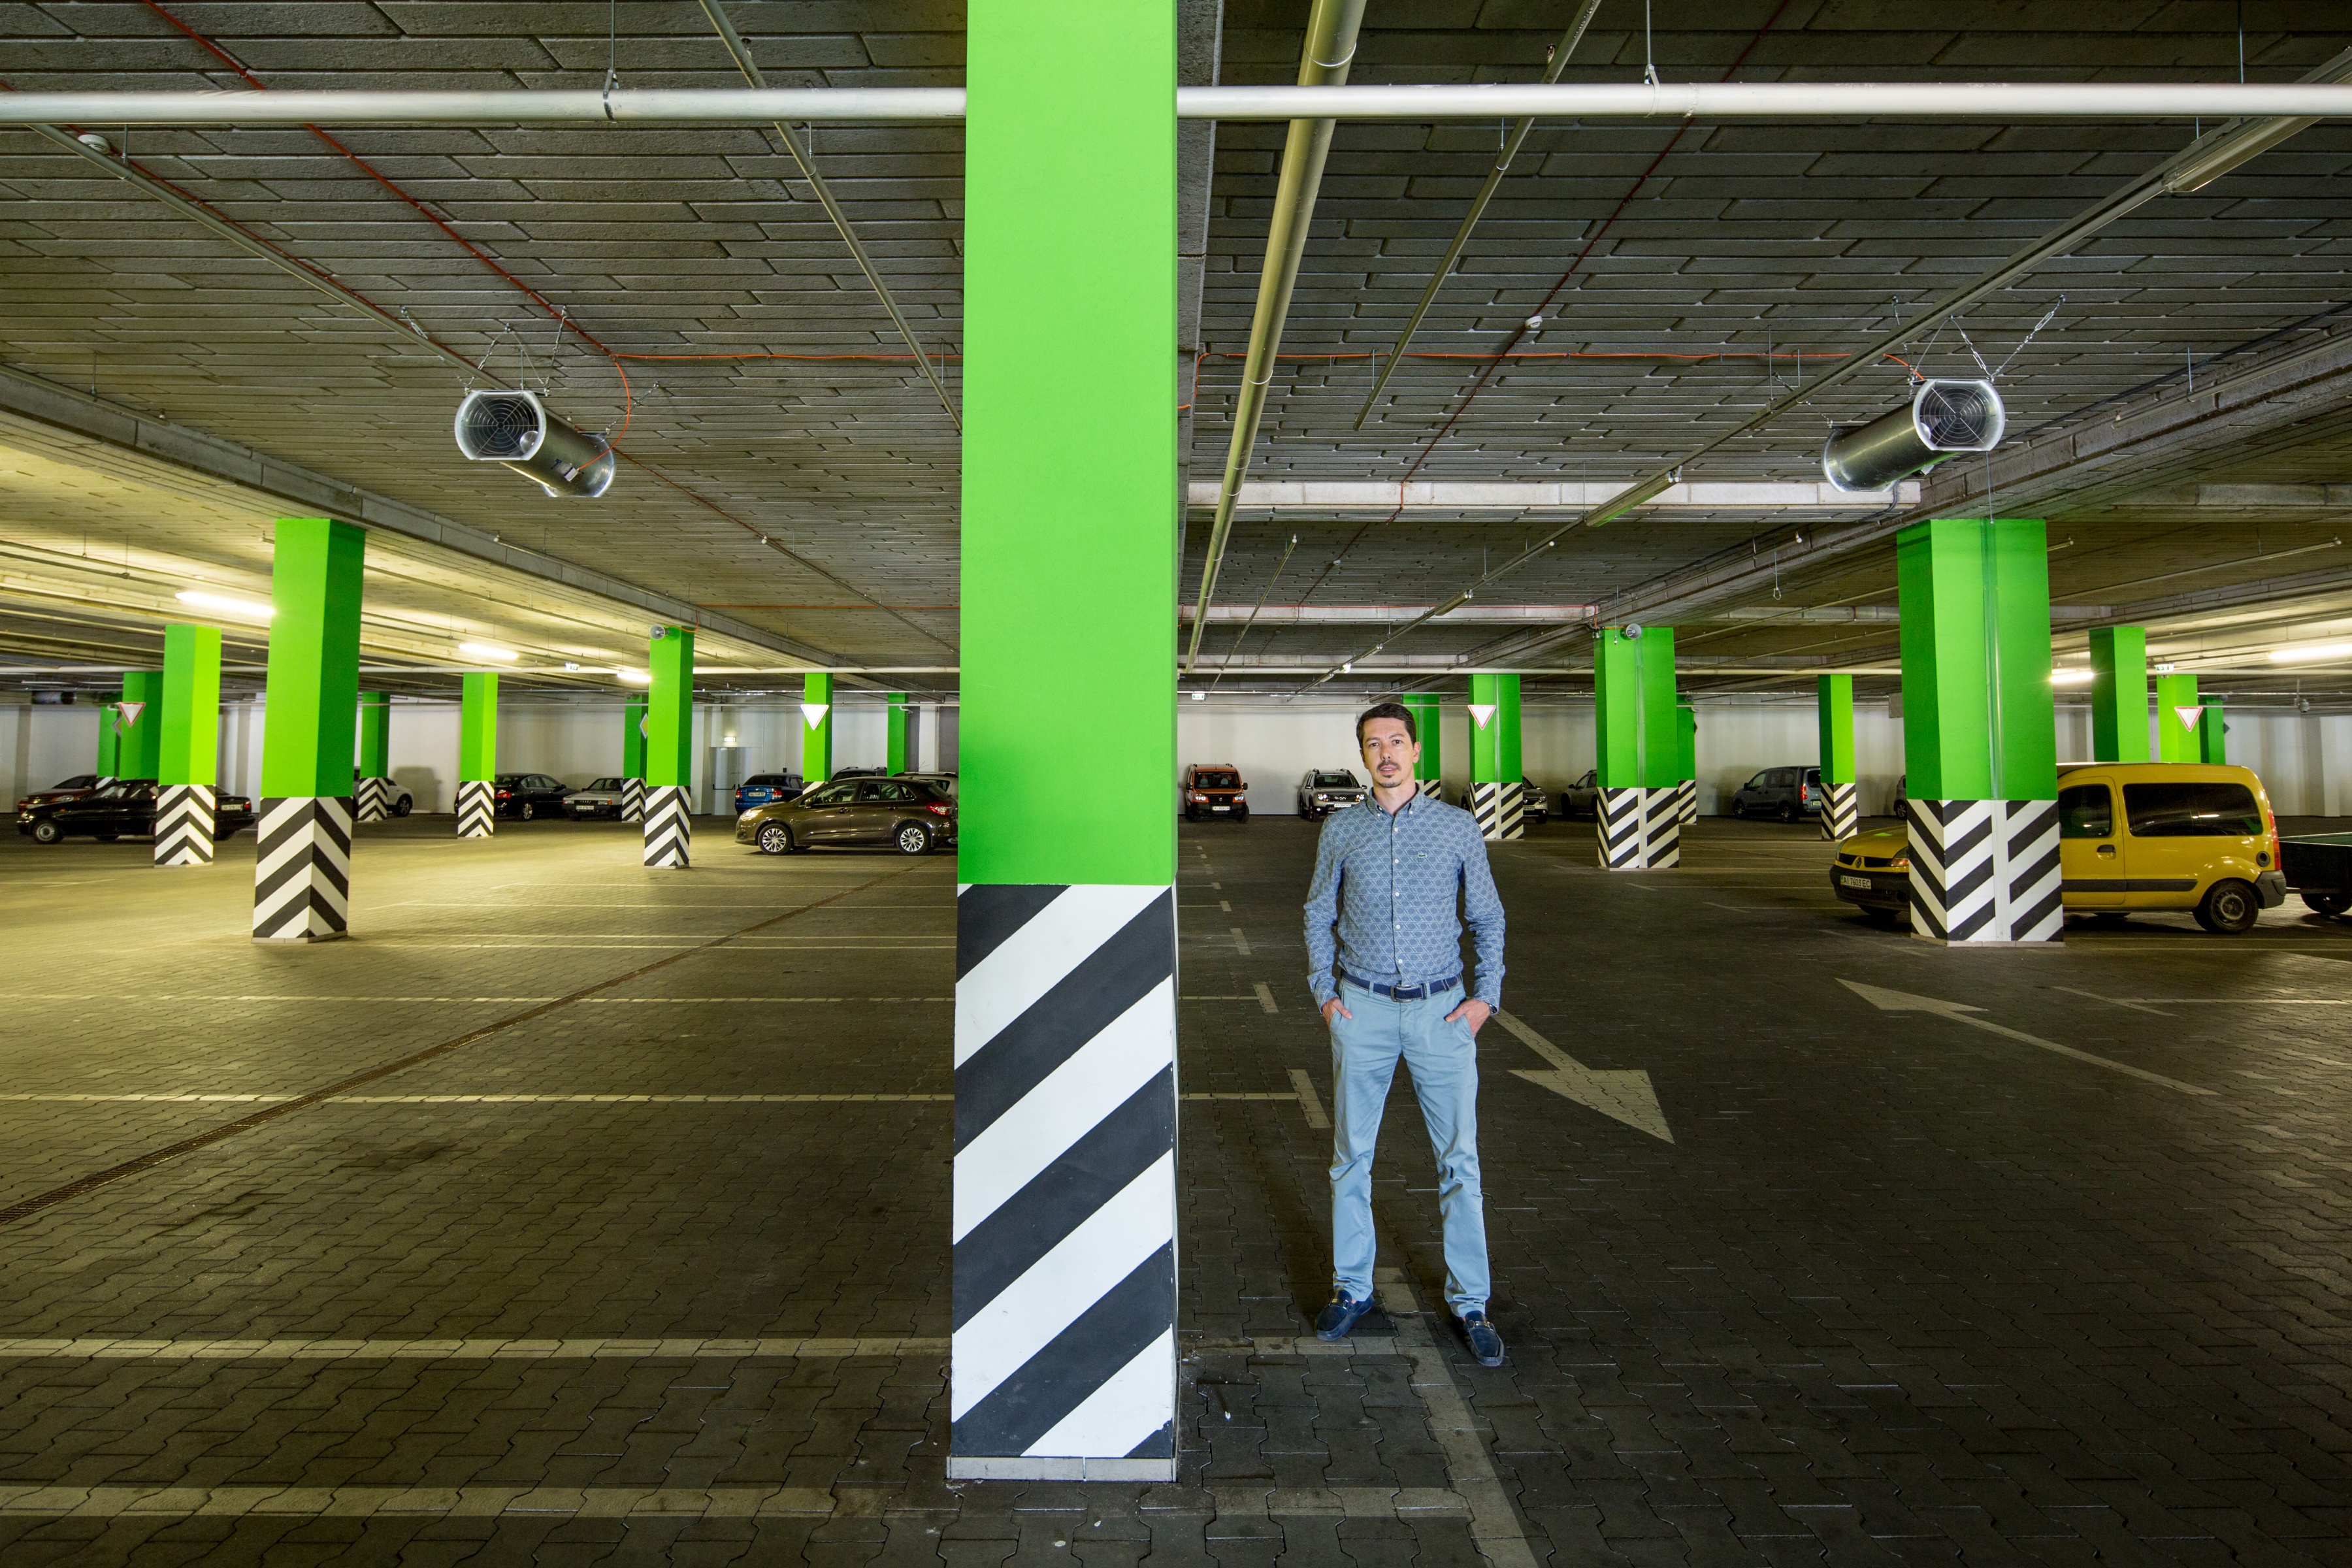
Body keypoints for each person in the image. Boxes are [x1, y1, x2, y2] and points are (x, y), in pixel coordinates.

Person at [1301, 700, 1507, 1367]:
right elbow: (1317, 912)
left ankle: (1471, 1302)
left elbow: (1488, 917)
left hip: (1440, 1014)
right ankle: (1352, 1287)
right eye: (1373, 743)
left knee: (1459, 1162)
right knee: (1350, 1158)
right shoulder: (1341, 830)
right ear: (1363, 755)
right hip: (1361, 1011)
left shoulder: (1457, 828)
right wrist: (1326, 994)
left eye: (1396, 741)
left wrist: (1485, 1000)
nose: (1386, 753)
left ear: (1416, 751)